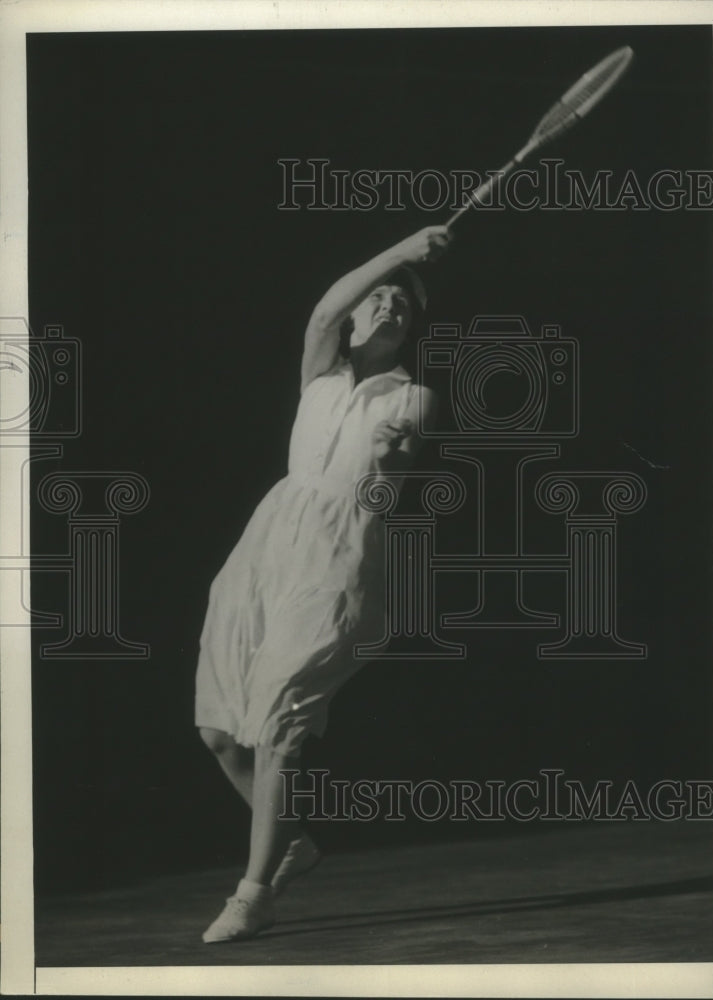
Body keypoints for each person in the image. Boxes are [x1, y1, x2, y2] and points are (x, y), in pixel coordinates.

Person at [195, 225, 452, 943]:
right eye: (379, 297)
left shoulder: (414, 400)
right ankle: (293, 845)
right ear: (357, 316)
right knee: (220, 732)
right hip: (266, 550)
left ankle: (252, 895)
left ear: (410, 328)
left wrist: (389, 469)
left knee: (277, 731)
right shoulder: (319, 372)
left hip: (337, 562)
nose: (389, 305)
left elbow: (380, 500)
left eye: (403, 302)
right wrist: (404, 250)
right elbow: (320, 312)